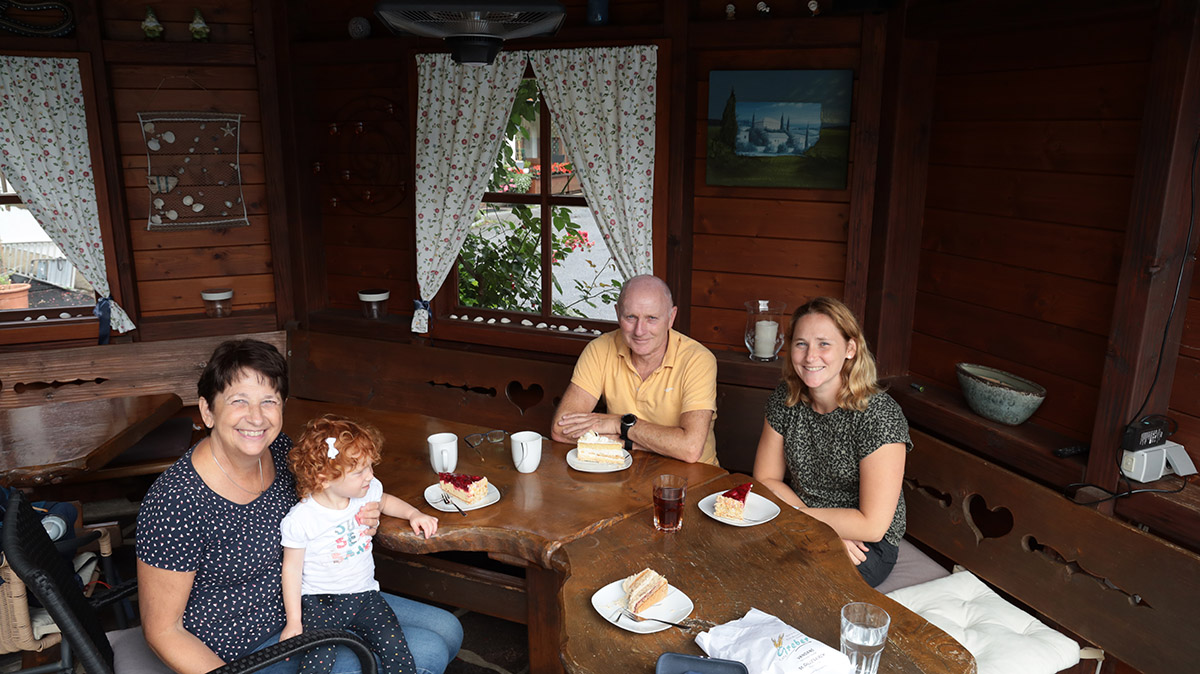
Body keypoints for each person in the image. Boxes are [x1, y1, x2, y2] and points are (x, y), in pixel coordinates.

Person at [136, 339, 462, 674]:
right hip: (245, 646)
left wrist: (365, 515)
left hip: (317, 598)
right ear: (207, 410)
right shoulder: (175, 500)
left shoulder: (280, 450)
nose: (256, 417)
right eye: (239, 401)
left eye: (269, 401)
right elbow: (163, 631)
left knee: (448, 630)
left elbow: (327, 505)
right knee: (428, 651)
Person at [751, 297, 911, 587]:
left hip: (863, 545)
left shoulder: (879, 415)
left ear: (850, 349)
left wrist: (807, 524)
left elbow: (873, 525)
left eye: (824, 344)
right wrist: (808, 525)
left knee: (786, 581)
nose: (811, 356)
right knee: (739, 554)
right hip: (799, 516)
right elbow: (765, 479)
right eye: (801, 344)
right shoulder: (785, 397)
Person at [281, 414, 438, 674]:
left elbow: (385, 500)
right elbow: (291, 570)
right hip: (321, 603)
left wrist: (413, 514)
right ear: (324, 478)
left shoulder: (365, 491)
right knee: (317, 662)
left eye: (370, 466)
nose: (370, 475)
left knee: (396, 648)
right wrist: (294, 621)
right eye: (359, 471)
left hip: (365, 595)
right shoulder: (302, 519)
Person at [551, 274, 719, 465]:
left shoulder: (697, 360)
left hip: (694, 481)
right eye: (631, 317)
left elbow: (689, 449)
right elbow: (561, 430)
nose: (639, 331)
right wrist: (633, 442)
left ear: (671, 318)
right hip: (621, 473)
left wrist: (620, 424)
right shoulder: (600, 348)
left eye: (651, 318)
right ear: (617, 314)